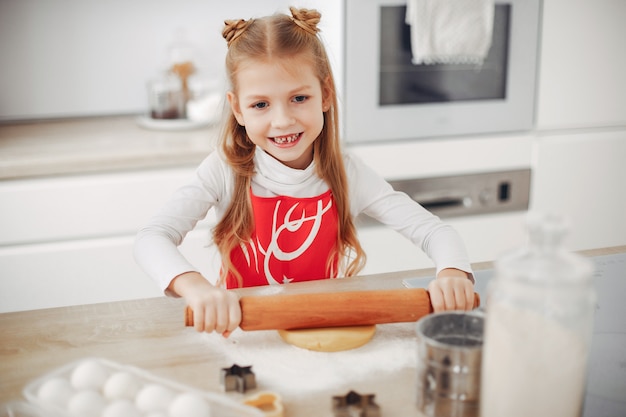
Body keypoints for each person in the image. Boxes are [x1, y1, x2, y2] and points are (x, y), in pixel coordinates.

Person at [134, 7, 475, 337]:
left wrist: (453, 272)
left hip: (326, 329)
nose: (282, 120)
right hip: (244, 336)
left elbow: (433, 231)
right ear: (237, 108)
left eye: (298, 98)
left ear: (325, 94)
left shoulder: (346, 173)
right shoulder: (225, 170)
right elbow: (151, 238)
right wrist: (197, 289)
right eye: (260, 104)